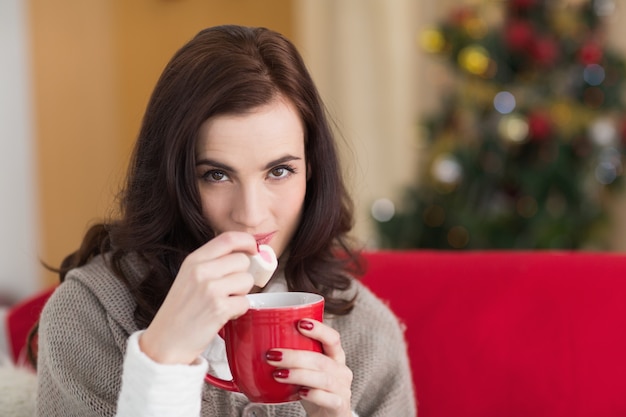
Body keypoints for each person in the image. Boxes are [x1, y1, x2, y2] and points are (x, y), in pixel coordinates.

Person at [35, 25, 416, 417]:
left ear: (312, 170)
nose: (250, 215)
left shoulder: (367, 334)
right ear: (173, 177)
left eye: (279, 171)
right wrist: (162, 362)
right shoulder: (88, 317)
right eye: (216, 175)